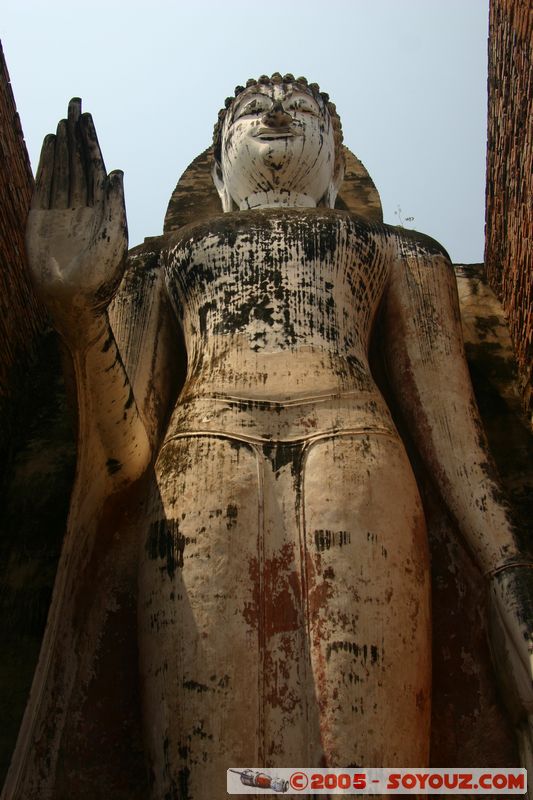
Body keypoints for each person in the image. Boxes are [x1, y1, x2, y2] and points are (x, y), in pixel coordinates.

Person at [8, 73, 533, 799]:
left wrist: (506, 574)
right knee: (204, 767)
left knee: (368, 773)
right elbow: (120, 453)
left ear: (335, 165)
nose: (279, 113)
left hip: (354, 446)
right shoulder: (158, 263)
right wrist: (79, 309)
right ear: (219, 169)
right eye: (250, 111)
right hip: (203, 453)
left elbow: (453, 440)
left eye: (305, 110)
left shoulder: (398, 250)